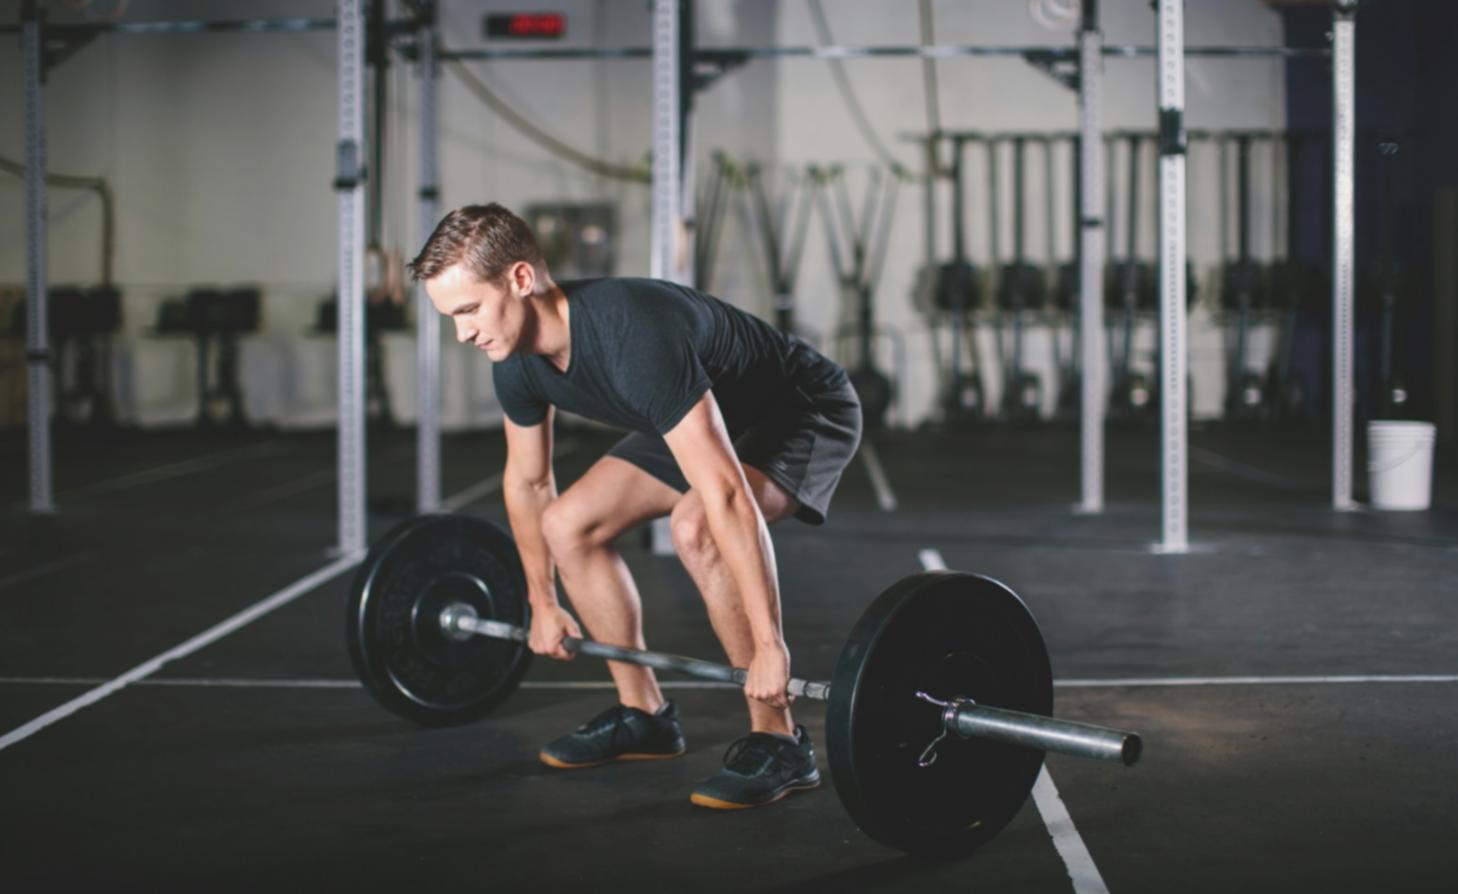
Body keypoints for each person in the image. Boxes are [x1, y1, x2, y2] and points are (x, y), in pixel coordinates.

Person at [409, 203, 861, 809]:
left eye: (468, 310)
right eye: (451, 317)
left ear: (520, 280)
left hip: (798, 409)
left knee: (696, 524)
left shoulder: (632, 335)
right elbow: (527, 482)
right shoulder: (515, 358)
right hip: (694, 415)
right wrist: (542, 603)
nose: (463, 333)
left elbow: (725, 493)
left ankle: (778, 739)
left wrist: (771, 645)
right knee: (568, 525)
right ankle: (643, 714)